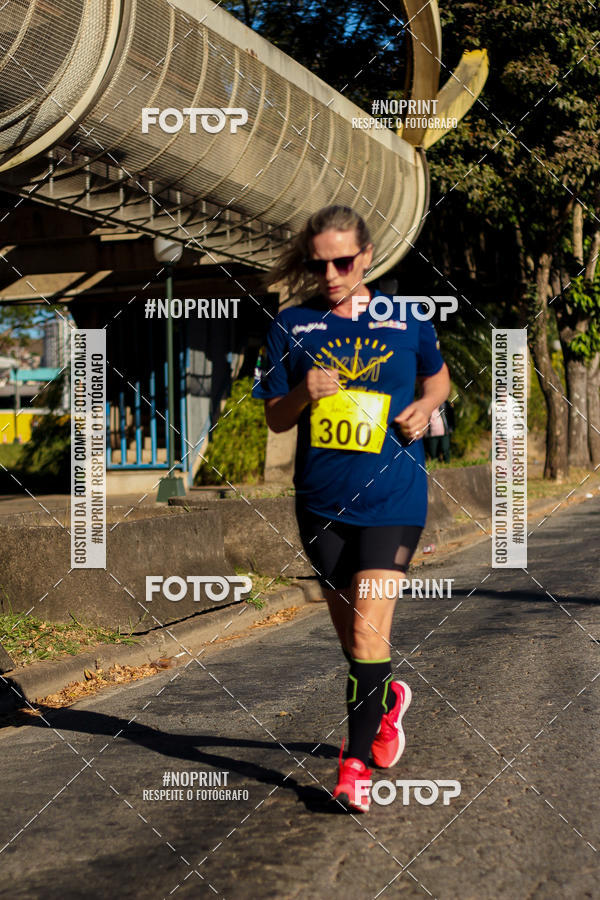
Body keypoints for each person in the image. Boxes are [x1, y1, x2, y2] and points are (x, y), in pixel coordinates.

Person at [253, 205, 450, 812]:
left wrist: (424, 407)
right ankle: (386, 704)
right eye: (320, 264)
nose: (332, 274)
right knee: (355, 640)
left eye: (343, 261)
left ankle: (354, 764)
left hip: (394, 495)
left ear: (368, 256)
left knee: (368, 635)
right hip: (321, 502)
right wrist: (300, 393)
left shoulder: (408, 317)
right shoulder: (293, 323)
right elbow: (273, 416)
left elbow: (438, 379)